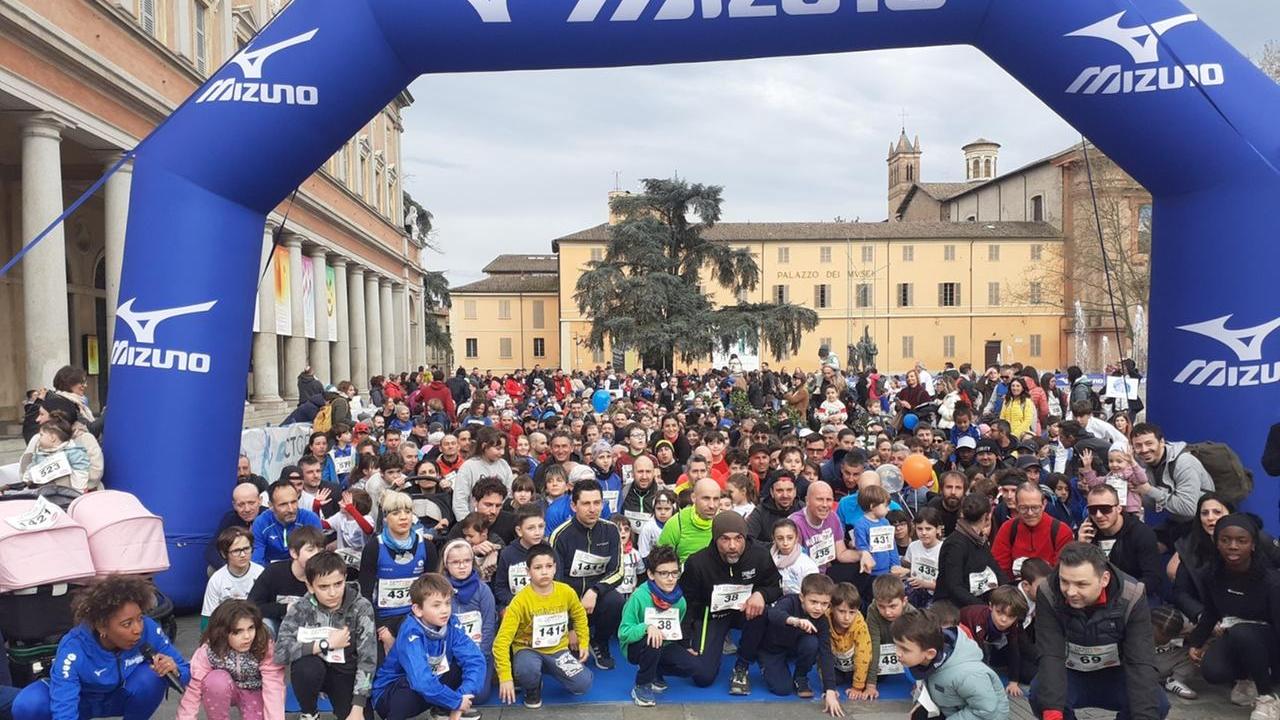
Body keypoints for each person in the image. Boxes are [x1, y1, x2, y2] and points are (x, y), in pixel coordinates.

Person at [10, 575, 189, 720]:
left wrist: (175, 670)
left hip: (119, 696)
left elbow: (186, 672)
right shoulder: (74, 647)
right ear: (102, 627)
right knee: (27, 704)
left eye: (140, 618)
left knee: (151, 677)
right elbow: (64, 706)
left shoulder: (148, 629)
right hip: (81, 701)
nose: (138, 629)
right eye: (127, 624)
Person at [1029, 542, 1167, 720]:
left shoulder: (1132, 594)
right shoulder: (1048, 591)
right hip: (1069, 673)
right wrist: (1053, 714)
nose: (1070, 592)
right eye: (1064, 581)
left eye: (1081, 584)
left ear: (1105, 579)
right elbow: (1050, 654)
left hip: (1117, 675)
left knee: (1156, 703)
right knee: (1041, 695)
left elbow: (1140, 661)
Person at [1186, 514, 1280, 719]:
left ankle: (1268, 697)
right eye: (1225, 540)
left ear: (1253, 545)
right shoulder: (1211, 575)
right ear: (1217, 543)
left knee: (1241, 632)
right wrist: (1197, 642)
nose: (1233, 546)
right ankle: (1246, 680)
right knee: (1212, 670)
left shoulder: (1271, 581)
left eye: (1241, 541)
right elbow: (1211, 612)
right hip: (1237, 636)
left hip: (1271, 642)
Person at [678, 511, 782, 695]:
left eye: (738, 539)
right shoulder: (698, 562)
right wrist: (685, 640)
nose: (732, 546)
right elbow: (686, 602)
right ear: (715, 539)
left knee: (762, 612)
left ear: (745, 537)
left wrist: (761, 594)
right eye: (725, 539)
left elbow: (775, 587)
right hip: (712, 616)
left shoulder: (760, 555)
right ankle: (714, 651)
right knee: (702, 677)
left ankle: (742, 666)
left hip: (746, 612)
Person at [275, 550, 378, 720]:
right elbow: (280, 653)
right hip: (314, 668)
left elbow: (368, 659)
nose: (332, 593)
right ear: (310, 586)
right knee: (306, 668)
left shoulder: (362, 607)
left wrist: (358, 706)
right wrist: (324, 644)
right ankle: (309, 712)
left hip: (346, 673)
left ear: (345, 579)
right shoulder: (300, 608)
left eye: (338, 584)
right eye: (323, 586)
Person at [370, 574, 486, 720]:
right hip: (390, 694)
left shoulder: (451, 623)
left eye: (447, 603)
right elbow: (421, 681)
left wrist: (463, 694)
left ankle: (443, 711)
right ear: (418, 610)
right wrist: (456, 702)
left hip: (431, 681)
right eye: (436, 605)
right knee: (411, 685)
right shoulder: (410, 632)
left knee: (461, 665)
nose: (445, 610)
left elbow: (475, 659)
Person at [494, 544, 594, 709]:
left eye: (549, 566)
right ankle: (532, 687)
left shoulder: (566, 592)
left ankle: (549, 668)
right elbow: (501, 642)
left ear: (555, 568)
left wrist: (584, 640)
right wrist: (505, 677)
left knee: (583, 684)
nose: (544, 571)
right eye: (538, 567)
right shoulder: (520, 601)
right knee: (527, 669)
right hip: (528, 650)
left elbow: (579, 615)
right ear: (528, 572)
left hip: (558, 650)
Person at [549, 478, 625, 670]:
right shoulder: (560, 535)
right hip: (568, 602)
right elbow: (554, 583)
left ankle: (599, 641)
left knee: (616, 601)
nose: (592, 509)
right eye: (586, 503)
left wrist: (595, 590)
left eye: (597, 503)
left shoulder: (611, 530)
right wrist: (571, 627)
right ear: (574, 506)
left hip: (597, 598)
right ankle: (572, 636)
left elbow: (618, 571)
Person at [618, 545, 701, 707]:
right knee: (653, 641)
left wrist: (684, 648)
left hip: (665, 644)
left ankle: (655, 671)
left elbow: (675, 627)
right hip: (636, 646)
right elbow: (623, 632)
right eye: (663, 573)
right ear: (650, 574)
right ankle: (642, 685)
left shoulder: (680, 601)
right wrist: (647, 627)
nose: (670, 578)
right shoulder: (638, 597)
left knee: (694, 667)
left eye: (674, 573)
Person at [890, 610, 1009, 720]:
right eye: (896, 646)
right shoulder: (932, 660)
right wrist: (922, 704)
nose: (897, 653)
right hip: (954, 708)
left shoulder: (968, 675)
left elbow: (986, 709)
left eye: (905, 649)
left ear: (930, 653)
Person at [178, 600, 285, 720]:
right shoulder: (210, 650)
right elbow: (193, 688)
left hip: (254, 691)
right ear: (222, 633)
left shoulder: (263, 645)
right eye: (237, 631)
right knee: (215, 681)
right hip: (225, 687)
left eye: (251, 628)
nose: (247, 636)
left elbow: (274, 687)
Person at [358, 491, 438, 652]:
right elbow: (365, 594)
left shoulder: (427, 547)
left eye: (408, 512)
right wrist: (382, 631)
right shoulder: (374, 548)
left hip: (416, 618)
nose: (403, 517)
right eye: (396, 513)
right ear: (386, 518)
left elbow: (432, 590)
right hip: (382, 620)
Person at [759, 574, 844, 715]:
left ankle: (800, 677)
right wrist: (795, 621)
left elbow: (826, 653)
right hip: (773, 648)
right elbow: (773, 614)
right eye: (814, 602)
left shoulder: (822, 621)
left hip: (794, 647)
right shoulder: (790, 601)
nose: (818, 608)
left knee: (812, 643)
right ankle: (765, 663)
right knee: (782, 690)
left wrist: (829, 689)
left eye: (824, 604)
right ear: (801, 597)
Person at [1076, 484, 1163, 596]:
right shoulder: (1086, 533)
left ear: (1118, 508)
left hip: (1131, 597)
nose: (1098, 515)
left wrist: (1124, 596)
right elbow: (1075, 574)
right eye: (1092, 510)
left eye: (1105, 509)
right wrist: (1081, 548)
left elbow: (1153, 579)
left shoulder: (1141, 533)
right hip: (1094, 596)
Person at [437, 540, 496, 705]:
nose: (462, 566)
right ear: (446, 565)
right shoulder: (439, 590)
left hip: (478, 651)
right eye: (455, 562)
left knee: (478, 697)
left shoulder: (483, 590)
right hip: (448, 654)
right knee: (438, 691)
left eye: (467, 561)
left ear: (473, 562)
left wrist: (481, 657)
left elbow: (489, 626)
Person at [1131, 422, 1214, 539]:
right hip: (1176, 521)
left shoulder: (1184, 463)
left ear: (1161, 442)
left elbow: (1188, 508)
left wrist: (1149, 490)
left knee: (1178, 554)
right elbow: (1155, 504)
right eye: (1138, 445)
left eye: (1149, 443)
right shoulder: (1143, 464)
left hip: (1200, 524)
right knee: (1143, 543)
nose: (1144, 450)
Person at [248, 525, 326, 634]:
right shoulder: (274, 572)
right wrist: (286, 608)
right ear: (294, 553)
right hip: (278, 624)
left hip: (313, 628)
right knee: (265, 624)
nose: (316, 555)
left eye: (320, 550)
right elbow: (252, 606)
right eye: (310, 550)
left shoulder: (325, 574)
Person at [935, 494, 1008, 608]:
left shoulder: (979, 539)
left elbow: (995, 568)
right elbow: (954, 586)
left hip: (977, 601)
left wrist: (1008, 593)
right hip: (952, 609)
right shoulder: (955, 544)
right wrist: (984, 608)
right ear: (987, 516)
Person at [991, 483, 1074, 579]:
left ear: (1044, 504)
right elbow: (999, 568)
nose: (1030, 513)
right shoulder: (1008, 528)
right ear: (1016, 506)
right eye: (1024, 508)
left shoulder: (1061, 531)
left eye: (1035, 508)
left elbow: (1062, 572)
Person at [959, 586, 1031, 693]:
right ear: (991, 606)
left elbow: (1014, 650)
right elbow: (978, 653)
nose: (1003, 619)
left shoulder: (1014, 624)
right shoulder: (979, 619)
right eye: (999, 612)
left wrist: (1013, 681)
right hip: (965, 635)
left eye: (1010, 616)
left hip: (989, 640)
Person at [864, 574, 915, 699]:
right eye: (881, 606)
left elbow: (919, 649)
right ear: (876, 602)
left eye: (892, 606)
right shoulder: (873, 610)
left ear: (904, 601)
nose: (887, 612)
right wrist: (871, 684)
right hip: (882, 651)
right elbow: (873, 645)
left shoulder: (913, 614)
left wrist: (919, 682)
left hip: (908, 654)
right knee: (877, 678)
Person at [203, 527, 265, 629]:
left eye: (246, 549)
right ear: (224, 553)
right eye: (236, 551)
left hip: (255, 625)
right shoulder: (216, 579)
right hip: (227, 627)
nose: (243, 555)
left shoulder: (260, 573)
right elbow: (207, 617)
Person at [251, 480, 324, 566]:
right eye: (283, 504)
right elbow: (257, 561)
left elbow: (318, 556)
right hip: (270, 573)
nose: (291, 509)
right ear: (271, 505)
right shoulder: (261, 523)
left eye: (294, 502)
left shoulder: (310, 519)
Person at [450, 426, 514, 522]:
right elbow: (460, 501)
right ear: (484, 446)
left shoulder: (504, 465)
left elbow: (509, 495)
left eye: (503, 448)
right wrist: (468, 524)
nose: (502, 452)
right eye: (498, 448)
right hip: (474, 522)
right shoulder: (469, 467)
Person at [826, 582, 872, 700]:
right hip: (836, 665)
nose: (847, 618)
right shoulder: (824, 620)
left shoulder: (860, 626)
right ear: (831, 607)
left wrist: (857, 687)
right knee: (836, 680)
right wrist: (828, 687)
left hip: (855, 665)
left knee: (876, 675)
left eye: (852, 612)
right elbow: (823, 654)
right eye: (841, 611)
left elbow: (863, 656)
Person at [493, 508, 546, 610]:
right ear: (519, 531)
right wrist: (518, 602)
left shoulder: (549, 551)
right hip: (516, 605)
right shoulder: (507, 553)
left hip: (544, 605)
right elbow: (500, 588)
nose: (537, 532)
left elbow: (557, 582)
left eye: (541, 526)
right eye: (531, 528)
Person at [657, 478, 719, 564]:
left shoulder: (725, 523)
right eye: (706, 498)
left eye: (716, 499)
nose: (712, 505)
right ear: (693, 497)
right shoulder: (677, 522)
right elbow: (660, 561)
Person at [903, 506, 944, 608]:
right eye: (920, 529)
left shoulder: (944, 550)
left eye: (928, 529)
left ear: (938, 529)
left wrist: (925, 584)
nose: (924, 533)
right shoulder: (913, 546)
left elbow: (948, 585)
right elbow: (909, 568)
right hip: (915, 591)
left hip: (936, 595)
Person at [748, 473, 801, 544]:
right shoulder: (760, 511)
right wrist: (775, 546)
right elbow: (748, 539)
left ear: (795, 492)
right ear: (772, 492)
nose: (785, 495)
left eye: (789, 490)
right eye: (779, 490)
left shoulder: (802, 509)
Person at [772, 518, 821, 595]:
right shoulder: (767, 559)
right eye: (780, 538)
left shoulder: (807, 564)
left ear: (796, 538)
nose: (785, 543)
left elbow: (813, 592)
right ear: (774, 539)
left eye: (790, 538)